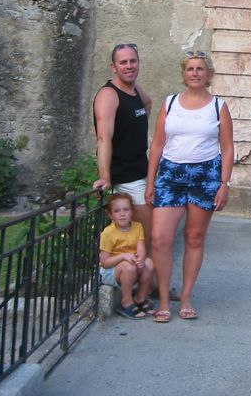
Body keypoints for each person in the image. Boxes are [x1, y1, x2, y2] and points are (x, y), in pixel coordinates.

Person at [145, 51, 234, 323]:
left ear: (208, 75)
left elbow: (228, 147)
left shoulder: (218, 106)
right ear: (183, 74)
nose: (194, 73)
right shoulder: (170, 104)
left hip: (205, 174)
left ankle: (185, 298)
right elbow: (158, 144)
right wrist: (150, 181)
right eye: (190, 69)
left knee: (194, 237)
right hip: (170, 173)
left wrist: (224, 183)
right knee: (160, 239)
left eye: (200, 69)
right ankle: (162, 299)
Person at [92, 43, 153, 251]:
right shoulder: (108, 95)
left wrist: (136, 125)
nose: (129, 66)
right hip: (127, 178)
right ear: (113, 66)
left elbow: (148, 103)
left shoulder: (135, 90)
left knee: (148, 237)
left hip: (142, 172)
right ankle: (145, 282)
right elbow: (103, 138)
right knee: (148, 235)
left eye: (133, 61)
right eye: (123, 62)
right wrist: (105, 176)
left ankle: (147, 281)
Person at [99, 192, 155, 319]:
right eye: (117, 211)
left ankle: (140, 297)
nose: (122, 214)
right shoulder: (108, 233)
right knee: (127, 266)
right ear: (110, 215)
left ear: (133, 212)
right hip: (111, 272)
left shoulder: (137, 227)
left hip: (131, 267)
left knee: (149, 263)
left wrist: (140, 259)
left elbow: (141, 247)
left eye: (126, 210)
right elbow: (105, 262)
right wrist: (123, 256)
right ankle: (126, 301)